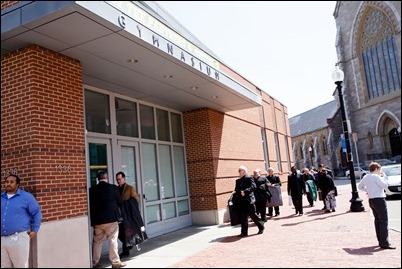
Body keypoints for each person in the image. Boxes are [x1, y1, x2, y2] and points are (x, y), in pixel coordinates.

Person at [1, 174, 42, 268]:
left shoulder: (26, 197)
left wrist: (35, 230)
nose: (8, 184)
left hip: (18, 237)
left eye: (12, 182)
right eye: (7, 182)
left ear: (17, 184)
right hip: (2, 239)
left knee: (20, 266)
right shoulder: (1, 198)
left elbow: (36, 212)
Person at [89, 172, 127, 268]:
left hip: (97, 221)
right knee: (113, 240)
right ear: (107, 178)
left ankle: (95, 262)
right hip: (111, 219)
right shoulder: (113, 188)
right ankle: (115, 262)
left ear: (98, 179)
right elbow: (120, 202)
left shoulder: (92, 190)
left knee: (97, 241)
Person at [358, 162, 396, 250]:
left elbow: (360, 186)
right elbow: (385, 185)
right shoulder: (377, 177)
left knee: (377, 220)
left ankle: (380, 240)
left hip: (371, 199)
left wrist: (368, 190)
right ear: (376, 169)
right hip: (379, 199)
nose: (380, 171)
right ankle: (384, 243)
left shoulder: (366, 176)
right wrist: (384, 177)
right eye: (380, 170)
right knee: (383, 221)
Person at [116, 171, 147, 258]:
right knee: (120, 233)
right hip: (120, 214)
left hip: (128, 214)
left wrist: (125, 203)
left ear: (124, 178)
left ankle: (126, 251)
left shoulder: (130, 188)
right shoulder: (116, 189)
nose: (118, 181)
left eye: (120, 179)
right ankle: (129, 245)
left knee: (126, 231)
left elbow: (136, 199)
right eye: (117, 179)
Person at [233, 166, 265, 237]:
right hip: (242, 201)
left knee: (253, 215)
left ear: (244, 171)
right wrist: (237, 192)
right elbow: (236, 190)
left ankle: (261, 226)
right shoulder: (238, 181)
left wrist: (245, 191)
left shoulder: (249, 178)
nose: (238, 172)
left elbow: (253, 186)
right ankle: (244, 232)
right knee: (243, 217)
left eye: (239, 170)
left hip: (249, 200)